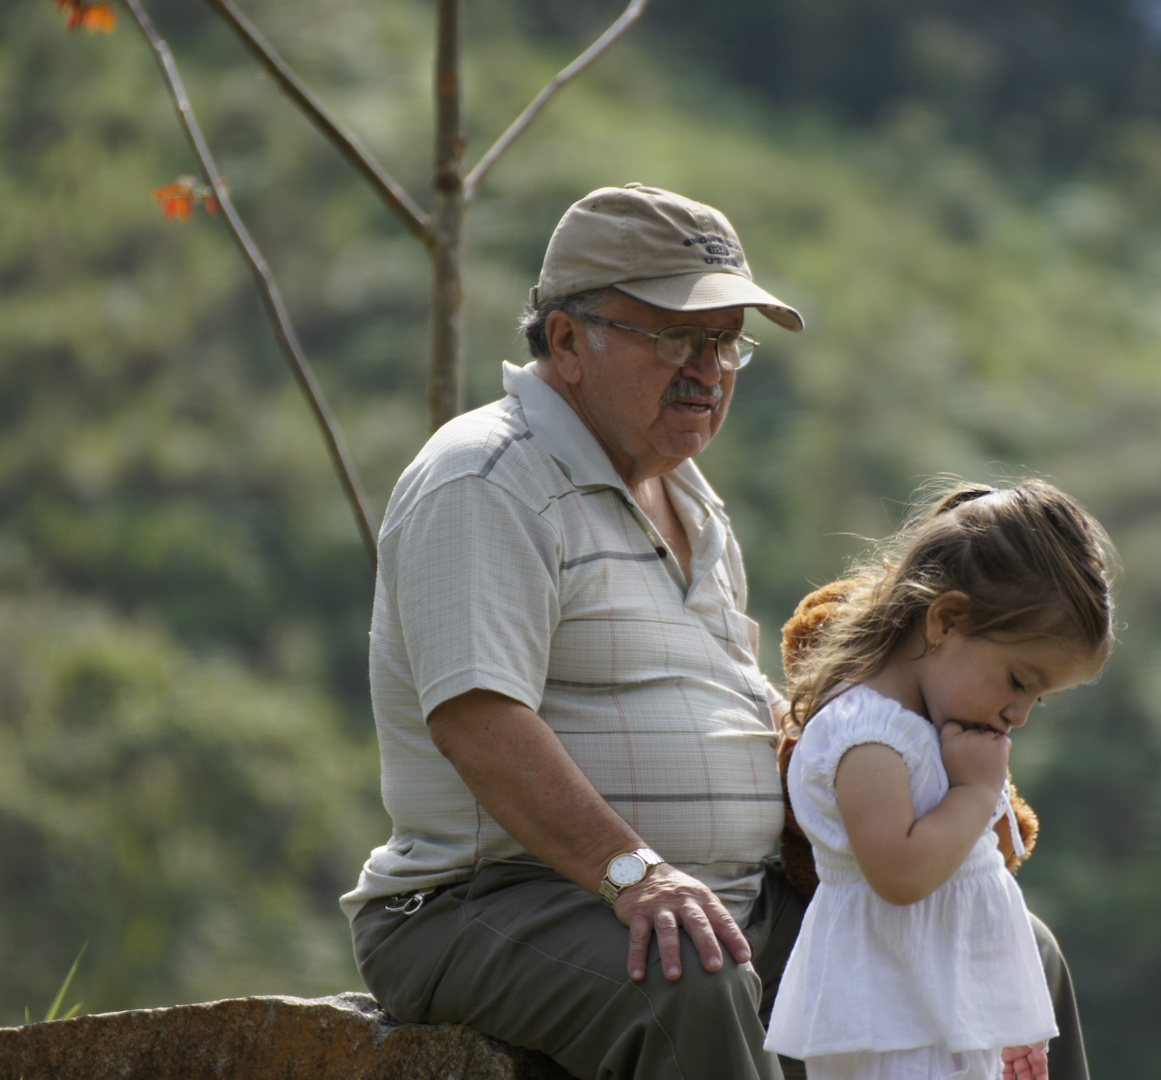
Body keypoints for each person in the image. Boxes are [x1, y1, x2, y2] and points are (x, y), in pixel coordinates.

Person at [340, 181, 1097, 1080]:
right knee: (690, 978)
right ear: (568, 340)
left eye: (725, 341)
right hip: (497, 900)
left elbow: (739, 709)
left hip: (730, 899)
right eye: (674, 337)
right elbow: (475, 719)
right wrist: (632, 872)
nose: (707, 368)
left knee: (1014, 949)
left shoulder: (691, 500)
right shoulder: (487, 478)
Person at [764, 480, 1116, 1080]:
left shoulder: (927, 726)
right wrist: (975, 794)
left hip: (940, 1010)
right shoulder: (866, 734)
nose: (1020, 714)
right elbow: (900, 874)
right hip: (891, 1023)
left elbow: (975, 874)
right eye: (1018, 679)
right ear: (946, 620)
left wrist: (1006, 1020)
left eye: (1039, 696)